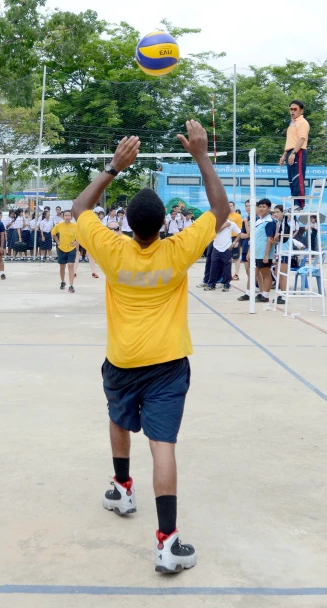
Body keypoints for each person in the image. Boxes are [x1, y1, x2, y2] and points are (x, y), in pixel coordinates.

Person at [73, 121, 228, 574]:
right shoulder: (179, 250)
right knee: (164, 446)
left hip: (122, 360)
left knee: (117, 418)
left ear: (126, 222)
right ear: (165, 224)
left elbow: (80, 206)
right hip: (167, 365)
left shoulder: (111, 249)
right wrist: (201, 155)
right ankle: (167, 542)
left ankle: (122, 489)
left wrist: (114, 169)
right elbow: (220, 209)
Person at [279, 100, 309, 209]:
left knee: (298, 178)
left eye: (295, 109)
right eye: (291, 109)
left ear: (301, 111)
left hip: (298, 151)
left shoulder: (303, 122)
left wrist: (293, 153)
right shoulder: (291, 123)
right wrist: (284, 155)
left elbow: (301, 139)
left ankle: (299, 204)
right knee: (291, 179)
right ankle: (294, 202)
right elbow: (290, 141)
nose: (292, 111)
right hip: (290, 151)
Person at [204, 218, 240, 292]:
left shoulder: (231, 224)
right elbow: (214, 232)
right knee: (214, 267)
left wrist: (234, 243)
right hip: (216, 248)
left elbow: (239, 234)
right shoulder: (215, 223)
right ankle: (212, 284)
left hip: (227, 248)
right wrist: (224, 226)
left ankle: (226, 284)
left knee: (227, 267)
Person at [253, 199, 276, 303]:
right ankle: (262, 293)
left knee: (266, 274)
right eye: (260, 206)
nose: (261, 208)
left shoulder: (270, 222)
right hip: (257, 253)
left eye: (264, 207)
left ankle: (265, 296)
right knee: (259, 274)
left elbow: (270, 239)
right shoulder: (259, 221)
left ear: (269, 208)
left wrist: (266, 255)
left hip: (264, 253)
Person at [51, 210, 78, 293]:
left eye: (69, 215)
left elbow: (80, 236)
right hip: (62, 248)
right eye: (66, 215)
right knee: (62, 266)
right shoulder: (59, 225)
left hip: (71, 248)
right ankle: (63, 281)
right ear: (63, 216)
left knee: (70, 265)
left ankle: (71, 285)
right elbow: (53, 233)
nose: (67, 217)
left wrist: (76, 242)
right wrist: (57, 241)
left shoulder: (75, 226)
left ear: (71, 216)